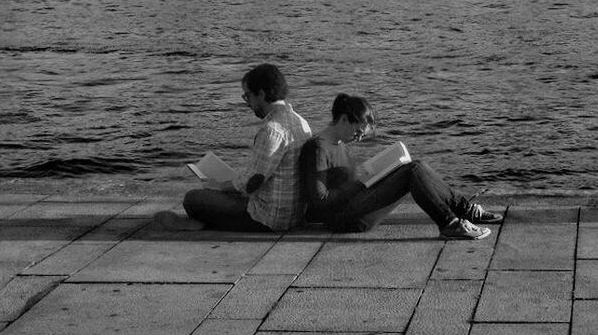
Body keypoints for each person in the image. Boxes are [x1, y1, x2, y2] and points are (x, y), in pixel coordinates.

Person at [298, 93, 502, 239]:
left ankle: (465, 210)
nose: (358, 139)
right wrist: (360, 184)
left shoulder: (339, 144)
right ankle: (449, 223)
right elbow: (319, 200)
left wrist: (369, 177)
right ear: (343, 120)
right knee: (412, 171)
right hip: (344, 219)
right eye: (358, 132)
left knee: (417, 166)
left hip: (355, 205)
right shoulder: (317, 148)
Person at [156, 64, 312, 232]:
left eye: (248, 96)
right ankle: (208, 220)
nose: (247, 103)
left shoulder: (272, 130)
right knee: (225, 192)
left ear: (261, 94)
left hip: (269, 218)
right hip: (294, 213)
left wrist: (220, 186)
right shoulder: (300, 121)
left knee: (193, 198)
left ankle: (203, 223)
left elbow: (252, 183)